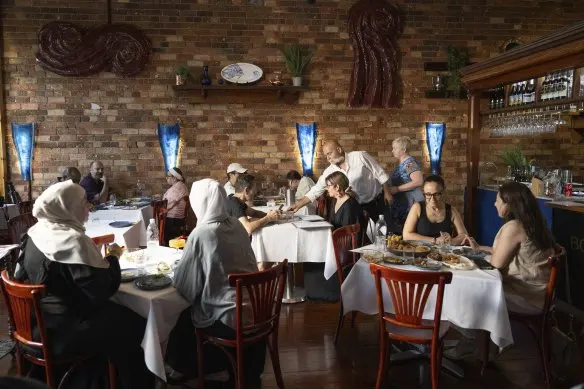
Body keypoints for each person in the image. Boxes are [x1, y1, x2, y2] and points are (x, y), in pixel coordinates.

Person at [13, 181, 153, 389]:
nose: (89, 207)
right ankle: (132, 382)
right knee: (136, 322)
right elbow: (102, 289)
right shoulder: (71, 240)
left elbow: (24, 274)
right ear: (67, 207)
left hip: (36, 323)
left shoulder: (34, 233)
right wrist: (113, 257)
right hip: (65, 329)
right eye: (84, 203)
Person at [166, 179, 265, 387]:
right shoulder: (237, 226)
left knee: (180, 311)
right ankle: (217, 367)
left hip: (228, 318)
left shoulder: (201, 234)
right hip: (257, 311)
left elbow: (186, 287)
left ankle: (197, 368)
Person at [463, 181, 555, 314]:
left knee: (472, 292)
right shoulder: (535, 223)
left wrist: (471, 259)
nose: (495, 204)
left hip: (525, 295)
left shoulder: (514, 227)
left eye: (497, 201)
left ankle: (484, 333)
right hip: (540, 294)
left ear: (509, 204)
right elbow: (509, 253)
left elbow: (496, 264)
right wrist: (479, 247)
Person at [288, 140, 392, 222]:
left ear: (339, 149)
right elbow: (316, 190)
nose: (328, 158)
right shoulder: (330, 171)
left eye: (329, 153)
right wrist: (299, 204)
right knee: (365, 240)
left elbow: (380, 173)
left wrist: (387, 192)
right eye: (326, 155)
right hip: (356, 207)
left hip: (376, 201)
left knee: (385, 233)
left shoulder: (360, 156)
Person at [403, 175, 467, 245]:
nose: (432, 199)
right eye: (428, 194)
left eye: (436, 194)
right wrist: (434, 240)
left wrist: (451, 241)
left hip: (444, 252)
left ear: (443, 192)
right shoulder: (417, 207)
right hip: (420, 251)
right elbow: (406, 235)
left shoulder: (451, 210)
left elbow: (464, 235)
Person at [385, 136, 424, 233]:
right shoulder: (402, 163)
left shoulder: (409, 163)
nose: (392, 151)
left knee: (410, 231)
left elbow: (418, 181)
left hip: (411, 202)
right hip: (403, 203)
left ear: (404, 150)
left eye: (395, 148)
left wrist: (397, 189)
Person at [162, 167, 189, 244]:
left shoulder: (177, 188)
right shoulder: (180, 185)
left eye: (168, 176)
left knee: (158, 219)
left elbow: (167, 204)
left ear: (174, 178)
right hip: (177, 218)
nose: (166, 178)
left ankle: (167, 244)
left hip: (174, 220)